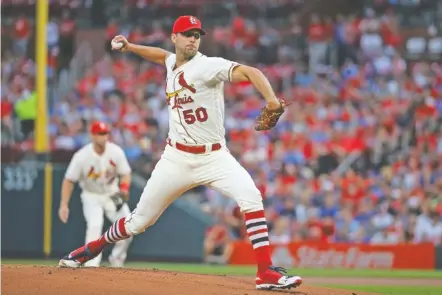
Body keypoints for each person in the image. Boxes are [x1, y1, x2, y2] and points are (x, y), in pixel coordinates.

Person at [58, 15, 302, 290]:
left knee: (251, 196)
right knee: (139, 221)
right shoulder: (172, 62)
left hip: (214, 156)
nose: (193, 39)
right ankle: (89, 249)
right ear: (175, 37)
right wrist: (131, 48)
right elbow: (161, 56)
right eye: (187, 34)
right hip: (176, 158)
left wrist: (270, 100)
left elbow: (250, 72)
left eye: (197, 34)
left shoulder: (207, 66)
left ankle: (265, 272)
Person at [58, 121, 133, 267]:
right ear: (92, 135)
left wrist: (124, 188)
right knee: (94, 226)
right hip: (91, 195)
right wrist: (64, 204)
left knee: (128, 227)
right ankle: (91, 265)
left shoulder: (116, 151)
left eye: (105, 133)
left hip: (112, 193)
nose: (103, 137)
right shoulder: (82, 156)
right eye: (100, 134)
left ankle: (117, 260)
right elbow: (69, 180)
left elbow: (126, 173)